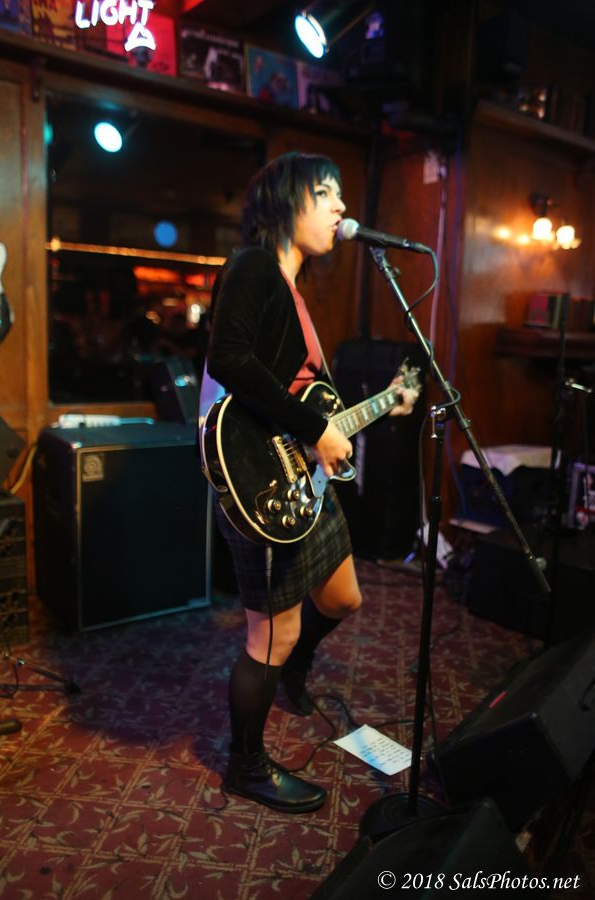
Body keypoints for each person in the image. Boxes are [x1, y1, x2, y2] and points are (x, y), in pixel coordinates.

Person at [199, 151, 418, 814]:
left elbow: (308, 402)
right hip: (262, 482)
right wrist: (315, 428)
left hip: (303, 479)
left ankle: (294, 667)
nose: (341, 208)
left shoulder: (293, 292)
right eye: (326, 193)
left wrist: (385, 404)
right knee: (270, 634)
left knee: (344, 597)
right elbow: (229, 359)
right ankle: (246, 767)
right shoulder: (254, 266)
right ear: (286, 201)